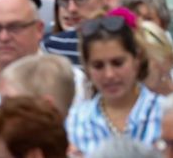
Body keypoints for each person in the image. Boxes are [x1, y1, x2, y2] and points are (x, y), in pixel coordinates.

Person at [66, 9, 163, 156]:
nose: (109, 75)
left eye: (118, 63)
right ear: (87, 68)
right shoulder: (76, 120)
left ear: (136, 60)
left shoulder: (166, 112)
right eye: (98, 66)